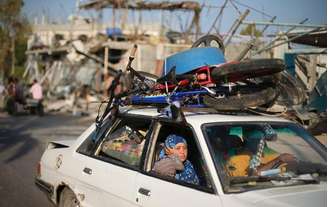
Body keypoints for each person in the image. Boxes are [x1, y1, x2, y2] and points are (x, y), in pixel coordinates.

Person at [224, 130, 296, 177]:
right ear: (246, 141)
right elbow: (253, 176)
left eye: (262, 141)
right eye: (255, 141)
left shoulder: (268, 154)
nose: (259, 144)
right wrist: (277, 160)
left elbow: (285, 167)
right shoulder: (234, 159)